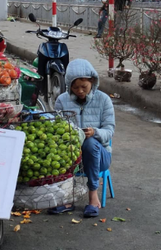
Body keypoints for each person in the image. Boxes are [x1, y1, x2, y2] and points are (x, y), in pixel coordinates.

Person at [50, 59, 115, 218]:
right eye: (75, 87)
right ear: (69, 86)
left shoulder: (104, 100)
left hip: (100, 155)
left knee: (90, 143)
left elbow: (109, 130)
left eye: (84, 87)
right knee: (59, 145)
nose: (80, 91)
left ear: (92, 81)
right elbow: (57, 128)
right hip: (73, 156)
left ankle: (93, 196)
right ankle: (67, 198)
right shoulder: (62, 100)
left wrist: (95, 132)